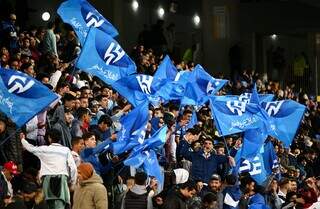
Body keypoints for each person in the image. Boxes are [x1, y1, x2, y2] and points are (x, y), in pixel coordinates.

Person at [20, 129, 77, 209]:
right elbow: (73, 168)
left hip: (47, 180)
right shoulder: (66, 150)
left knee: (47, 205)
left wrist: (22, 139)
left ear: (49, 138)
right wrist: (72, 182)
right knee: (59, 205)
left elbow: (31, 148)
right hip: (61, 180)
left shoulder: (44, 149)